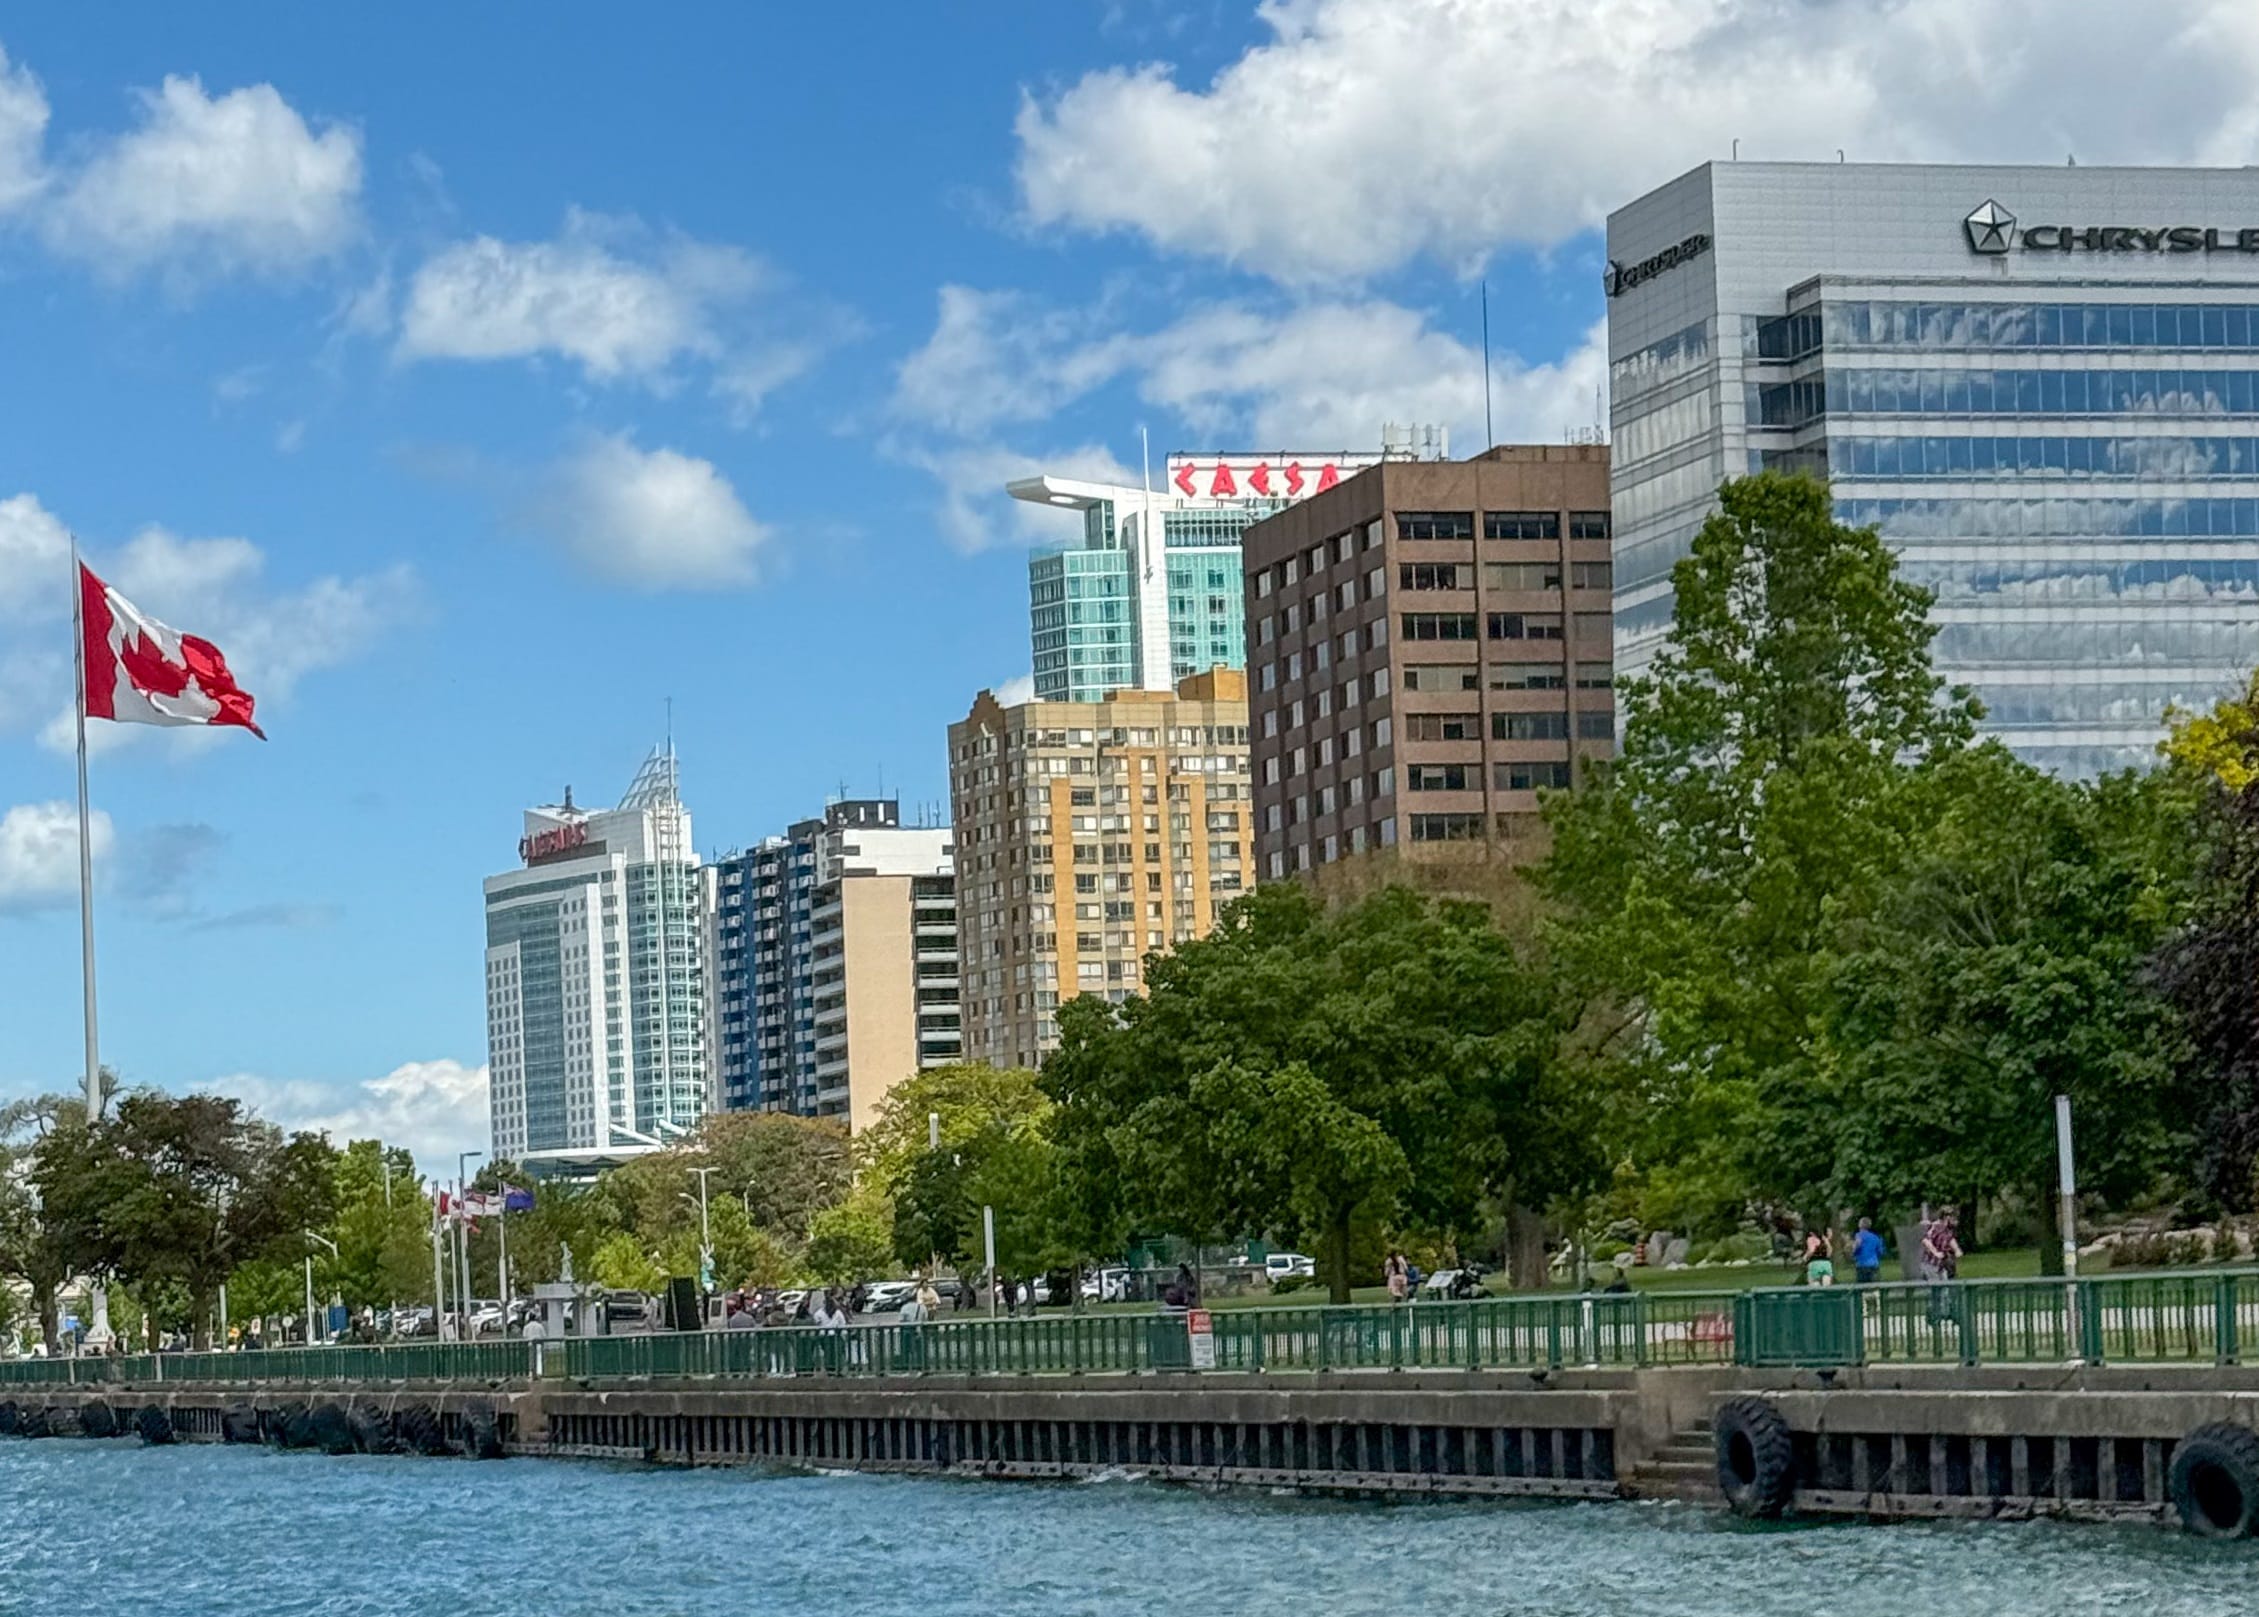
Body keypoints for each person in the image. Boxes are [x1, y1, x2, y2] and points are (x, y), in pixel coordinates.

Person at [1852, 1218, 1887, 1284]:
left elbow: (1856, 1247)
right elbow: (1880, 1251)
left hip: (1862, 1265)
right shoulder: (1875, 1237)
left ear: (1860, 1225)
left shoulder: (1859, 1235)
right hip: (1874, 1265)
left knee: (1861, 1287)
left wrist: (1854, 1251)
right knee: (1875, 1286)